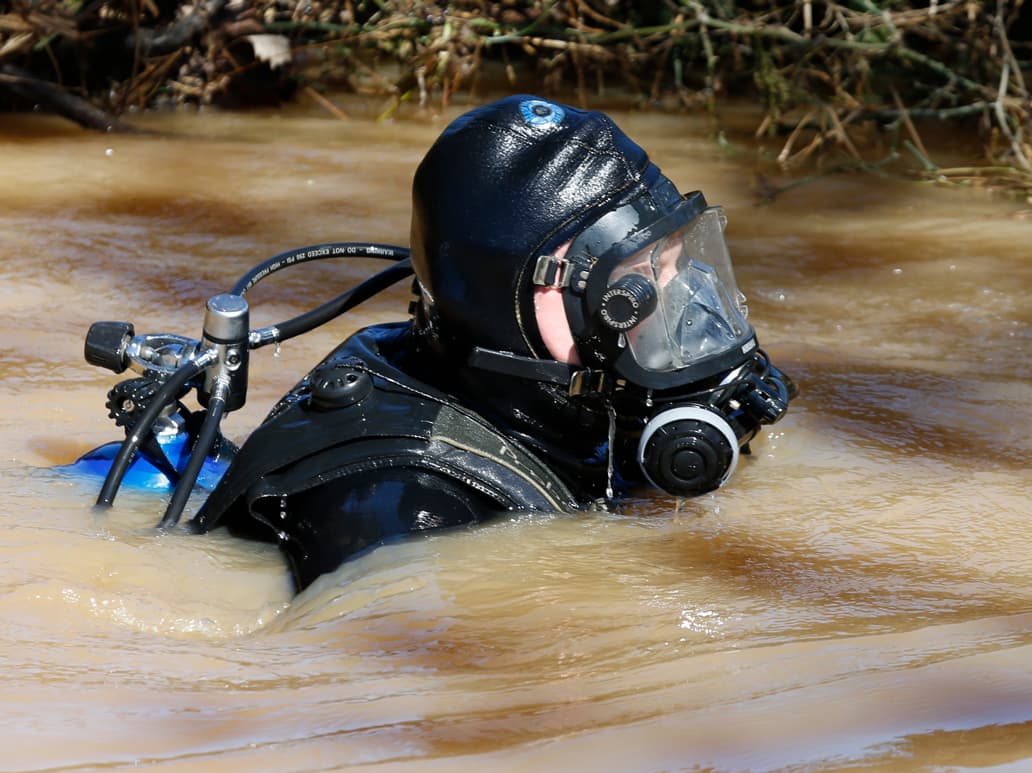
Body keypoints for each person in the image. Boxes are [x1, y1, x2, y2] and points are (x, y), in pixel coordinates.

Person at [190, 95, 795, 590]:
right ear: (507, 300)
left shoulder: (554, 397)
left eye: (672, 265)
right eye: (628, 288)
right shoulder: (407, 517)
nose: (666, 308)